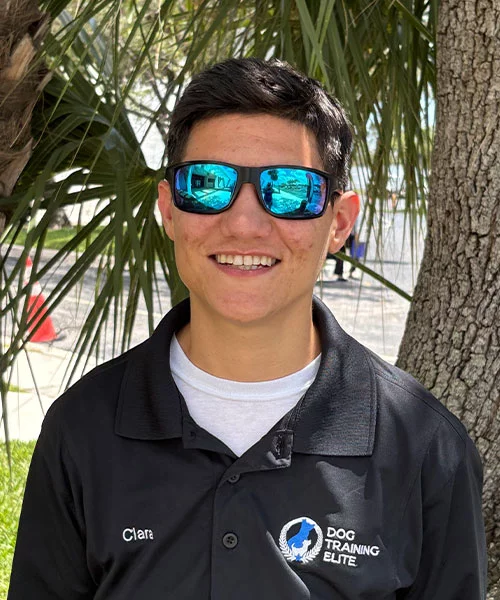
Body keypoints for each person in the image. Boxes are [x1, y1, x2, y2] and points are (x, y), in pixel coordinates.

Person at [8, 58, 487, 599]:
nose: (243, 223)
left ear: (339, 223)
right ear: (169, 210)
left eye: (290, 189)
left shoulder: (427, 450)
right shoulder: (83, 428)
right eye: (207, 184)